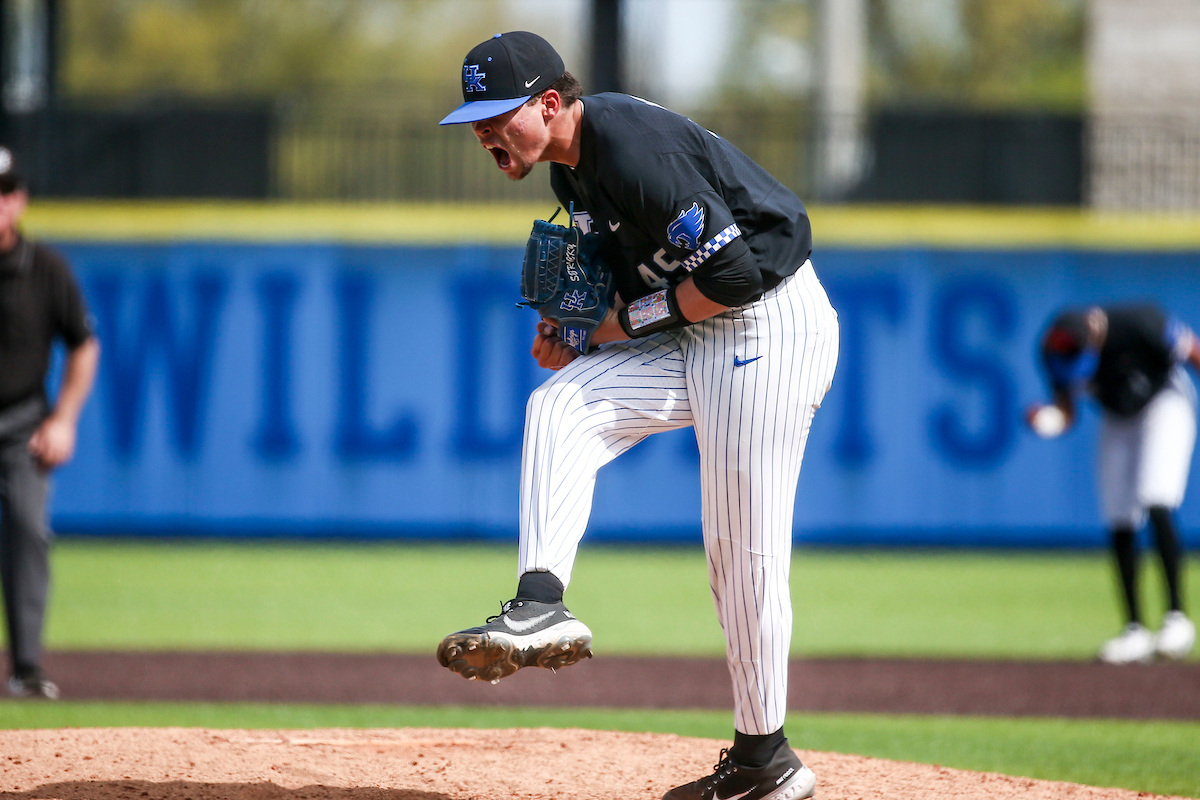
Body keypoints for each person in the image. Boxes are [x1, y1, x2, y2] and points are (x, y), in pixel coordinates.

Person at [436, 31, 838, 800]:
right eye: (474, 120)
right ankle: (540, 605)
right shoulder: (572, 173)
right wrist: (576, 328)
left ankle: (765, 760)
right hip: (702, 331)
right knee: (560, 406)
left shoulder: (629, 149)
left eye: (496, 115)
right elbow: (638, 286)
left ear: (547, 103)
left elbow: (733, 276)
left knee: (741, 551)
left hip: (769, 327)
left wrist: (615, 326)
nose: (484, 132)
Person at [1028, 304, 1197, 664]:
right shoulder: (1053, 350)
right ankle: (1134, 630)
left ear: (1094, 336)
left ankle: (1176, 619)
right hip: (1118, 417)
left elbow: (1193, 352)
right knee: (1118, 513)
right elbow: (1066, 411)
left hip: (1164, 399)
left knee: (1156, 496)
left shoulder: (1140, 323)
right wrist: (1046, 421)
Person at [0, 146, 99, 698]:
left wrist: (64, 419)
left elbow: (84, 344)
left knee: (28, 529)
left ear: (20, 200)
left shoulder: (45, 268)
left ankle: (27, 668)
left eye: (5, 192)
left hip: (21, 424)